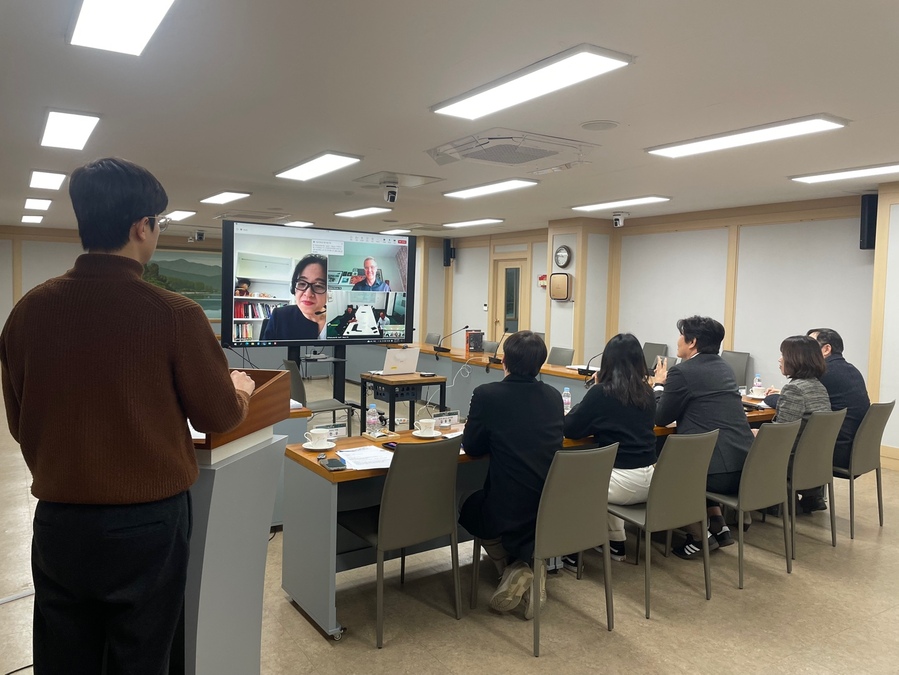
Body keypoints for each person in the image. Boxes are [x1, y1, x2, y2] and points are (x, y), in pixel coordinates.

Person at [0, 157, 255, 673]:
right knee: (141, 657)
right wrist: (241, 389)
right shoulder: (174, 314)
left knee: (63, 657)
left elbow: (20, 420)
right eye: (159, 223)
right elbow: (219, 416)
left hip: (58, 522)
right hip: (148, 524)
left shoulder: (28, 310)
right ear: (142, 226)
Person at [458, 330, 563, 619]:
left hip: (505, 510)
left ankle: (512, 569)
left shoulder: (487, 394)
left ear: (503, 360)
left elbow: (473, 445)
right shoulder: (554, 397)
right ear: (540, 364)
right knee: (520, 506)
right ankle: (527, 568)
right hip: (548, 508)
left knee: (469, 506)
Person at [654, 315, 754, 559]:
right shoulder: (724, 368)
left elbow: (661, 417)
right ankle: (719, 525)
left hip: (717, 474)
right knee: (697, 461)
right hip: (746, 466)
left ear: (692, 342)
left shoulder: (682, 372)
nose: (677, 340)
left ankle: (700, 537)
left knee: (664, 473)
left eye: (681, 336)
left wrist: (658, 385)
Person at [562, 333, 656, 565]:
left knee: (569, 479)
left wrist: (594, 389)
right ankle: (616, 542)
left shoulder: (601, 392)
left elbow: (571, 429)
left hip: (621, 483)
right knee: (603, 472)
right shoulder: (648, 392)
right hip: (653, 480)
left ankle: (573, 549)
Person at [770, 337, 832, 510]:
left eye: (783, 355)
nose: (780, 359)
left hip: (792, 461)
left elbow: (780, 437)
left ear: (796, 360)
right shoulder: (818, 386)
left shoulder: (794, 389)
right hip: (814, 460)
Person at [807, 328, 871, 471]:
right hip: (858, 450)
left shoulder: (823, 372)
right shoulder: (851, 369)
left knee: (785, 443)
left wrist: (771, 398)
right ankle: (812, 493)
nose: (805, 351)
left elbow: (798, 401)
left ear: (826, 349)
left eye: (810, 346)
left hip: (837, 451)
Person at [261, 254, 328, 340]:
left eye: (318, 286)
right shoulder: (280, 316)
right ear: (294, 287)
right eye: (302, 284)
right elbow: (265, 353)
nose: (308, 293)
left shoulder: (339, 319)